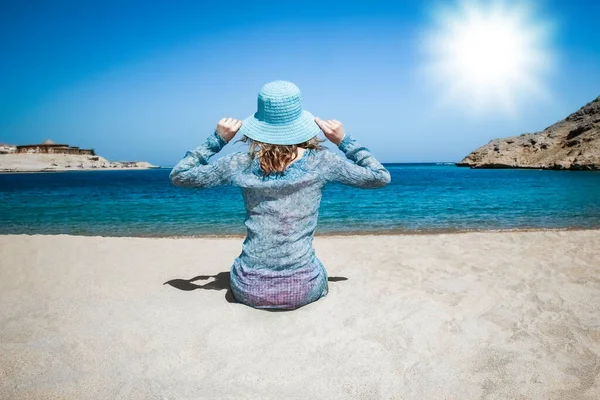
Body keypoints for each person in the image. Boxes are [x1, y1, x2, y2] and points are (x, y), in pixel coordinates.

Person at [170, 80, 390, 310]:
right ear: (302, 123)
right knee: (317, 267)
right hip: (303, 288)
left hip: (248, 288)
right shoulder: (322, 162)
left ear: (259, 124)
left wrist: (217, 139)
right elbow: (379, 177)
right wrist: (344, 141)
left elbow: (180, 176)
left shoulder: (239, 164)